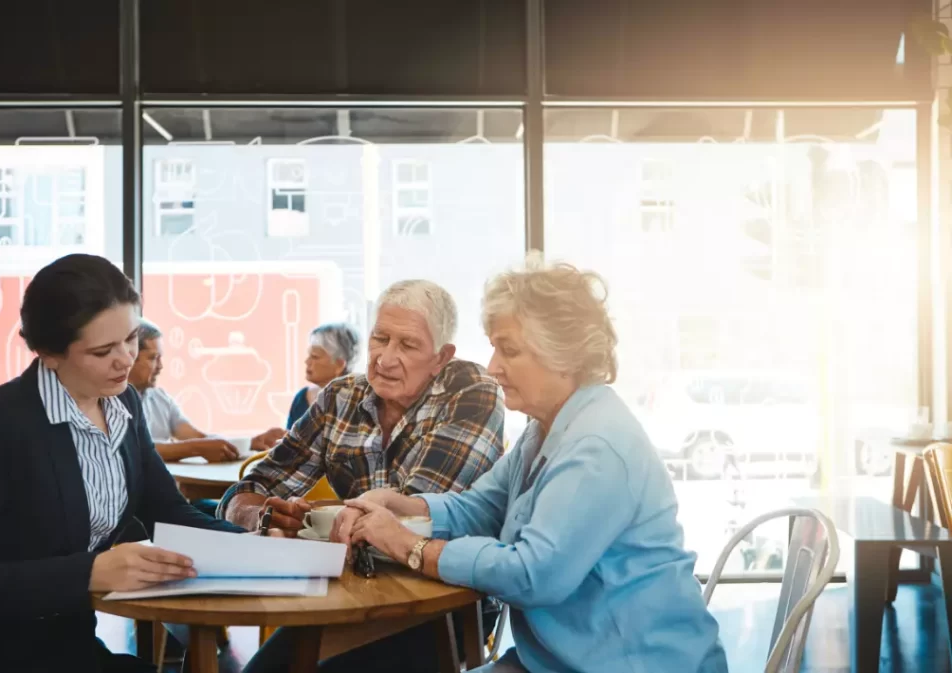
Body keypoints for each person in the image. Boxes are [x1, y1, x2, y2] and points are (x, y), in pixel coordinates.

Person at [339, 259, 729, 673]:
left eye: (509, 350)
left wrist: (408, 546)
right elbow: (481, 507)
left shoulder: (596, 446)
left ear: (563, 356)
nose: (492, 366)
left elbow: (531, 575)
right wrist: (403, 506)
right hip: (556, 661)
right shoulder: (547, 428)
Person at [0, 254, 246, 673]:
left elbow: (168, 512)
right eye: (102, 350)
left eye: (131, 338)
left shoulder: (125, 403)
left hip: (69, 645)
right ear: (48, 352)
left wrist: (264, 546)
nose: (125, 360)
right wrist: (90, 571)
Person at [232, 279, 505, 673]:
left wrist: (315, 527)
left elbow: (416, 517)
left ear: (441, 357)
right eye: (380, 339)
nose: (385, 359)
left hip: (442, 603)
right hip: (349, 594)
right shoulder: (340, 396)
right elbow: (252, 487)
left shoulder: (472, 390)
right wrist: (262, 516)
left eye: (407, 345)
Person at [128, 319, 270, 462]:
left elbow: (197, 437)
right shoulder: (112, 403)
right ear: (130, 358)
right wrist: (196, 449)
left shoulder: (160, 399)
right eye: (153, 358)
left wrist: (249, 443)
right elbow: (134, 449)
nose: (160, 366)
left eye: (160, 358)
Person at [253, 322, 360, 448]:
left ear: (339, 364)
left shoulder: (358, 401)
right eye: (309, 355)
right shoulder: (302, 397)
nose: (307, 361)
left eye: (315, 357)